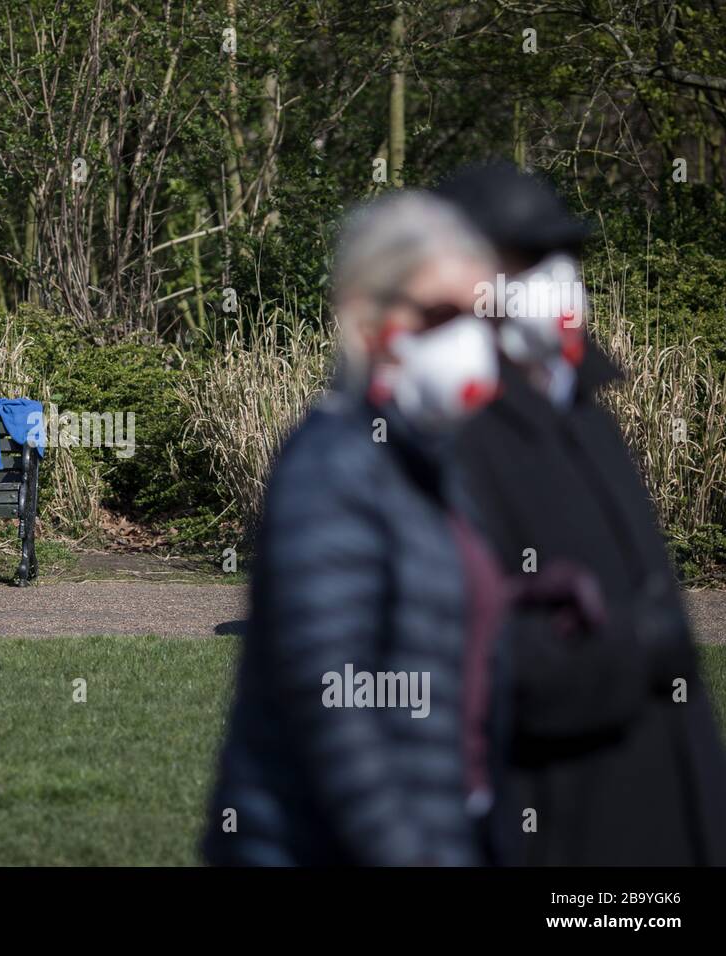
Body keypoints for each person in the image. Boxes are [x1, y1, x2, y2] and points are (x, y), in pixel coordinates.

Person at [436, 162, 726, 865]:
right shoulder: (446, 441)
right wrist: (631, 651)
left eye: (565, 255)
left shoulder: (586, 413)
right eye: (530, 258)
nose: (558, 278)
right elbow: (457, 664)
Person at [202, 192, 504, 865]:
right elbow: (332, 703)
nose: (470, 339)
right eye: (441, 315)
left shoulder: (433, 462)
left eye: (482, 315)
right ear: (367, 317)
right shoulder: (333, 465)